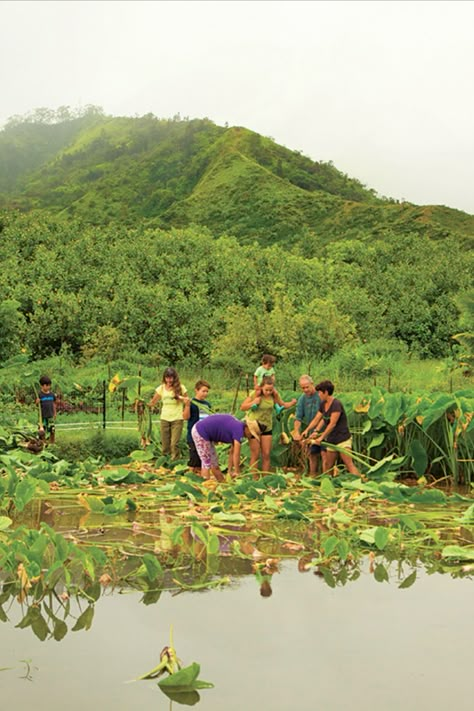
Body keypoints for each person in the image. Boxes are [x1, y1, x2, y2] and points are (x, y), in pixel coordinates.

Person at [300, 380, 360, 476]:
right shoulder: (323, 404)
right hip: (332, 440)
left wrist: (321, 438)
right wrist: (312, 431)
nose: (318, 395)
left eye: (320, 392)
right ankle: (329, 486)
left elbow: (332, 424)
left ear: (326, 392)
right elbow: (320, 419)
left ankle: (360, 485)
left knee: (349, 464)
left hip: (342, 439)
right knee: (328, 465)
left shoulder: (336, 404)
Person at [240, 375, 297, 475]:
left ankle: (265, 476)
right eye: (266, 390)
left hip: (267, 427)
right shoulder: (255, 394)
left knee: (266, 454)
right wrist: (253, 402)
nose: (268, 392)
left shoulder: (273, 396)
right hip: (254, 426)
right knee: (255, 454)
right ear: (262, 387)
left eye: (271, 390)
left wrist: (292, 403)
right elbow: (243, 407)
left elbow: (282, 404)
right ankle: (254, 477)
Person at [191, 413, 264, 481]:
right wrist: (237, 471)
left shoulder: (237, 428)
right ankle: (205, 485)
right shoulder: (238, 430)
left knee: (214, 464)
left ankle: (222, 483)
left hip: (206, 434)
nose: (250, 437)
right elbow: (236, 454)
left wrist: (229, 470)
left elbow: (232, 452)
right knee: (206, 462)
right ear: (248, 428)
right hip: (200, 431)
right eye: (252, 435)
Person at [148, 367, 190, 461]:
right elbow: (153, 402)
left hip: (177, 418)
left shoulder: (181, 388)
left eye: (171, 378)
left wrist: (184, 402)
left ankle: (175, 461)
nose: (169, 380)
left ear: (174, 378)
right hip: (165, 418)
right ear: (164, 378)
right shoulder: (161, 388)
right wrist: (143, 404)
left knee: (174, 443)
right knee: (165, 443)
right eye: (167, 378)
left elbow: (187, 401)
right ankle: (165, 462)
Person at [292, 375, 322, 475]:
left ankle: (325, 475)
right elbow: (298, 417)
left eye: (307, 387)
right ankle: (313, 475)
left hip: (324, 430)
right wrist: (296, 431)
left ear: (312, 384)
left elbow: (324, 416)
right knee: (312, 454)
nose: (305, 390)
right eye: (303, 388)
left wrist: (317, 430)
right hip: (311, 431)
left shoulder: (320, 396)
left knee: (326, 454)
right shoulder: (302, 399)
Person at [186, 379, 214, 473]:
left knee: (201, 458)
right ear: (196, 390)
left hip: (204, 435)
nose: (205, 393)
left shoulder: (207, 405)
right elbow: (186, 417)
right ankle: (190, 474)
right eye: (203, 391)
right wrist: (187, 406)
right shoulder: (192, 403)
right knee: (193, 456)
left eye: (207, 391)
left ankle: (198, 476)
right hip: (193, 434)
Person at [36, 375, 56, 444]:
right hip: (43, 417)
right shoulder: (39, 395)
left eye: (49, 385)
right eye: (46, 385)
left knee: (52, 430)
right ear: (42, 386)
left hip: (50, 415)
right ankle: (43, 443)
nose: (48, 387)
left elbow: (53, 404)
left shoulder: (52, 394)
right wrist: (37, 402)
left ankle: (52, 443)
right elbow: (37, 405)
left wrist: (55, 413)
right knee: (42, 432)